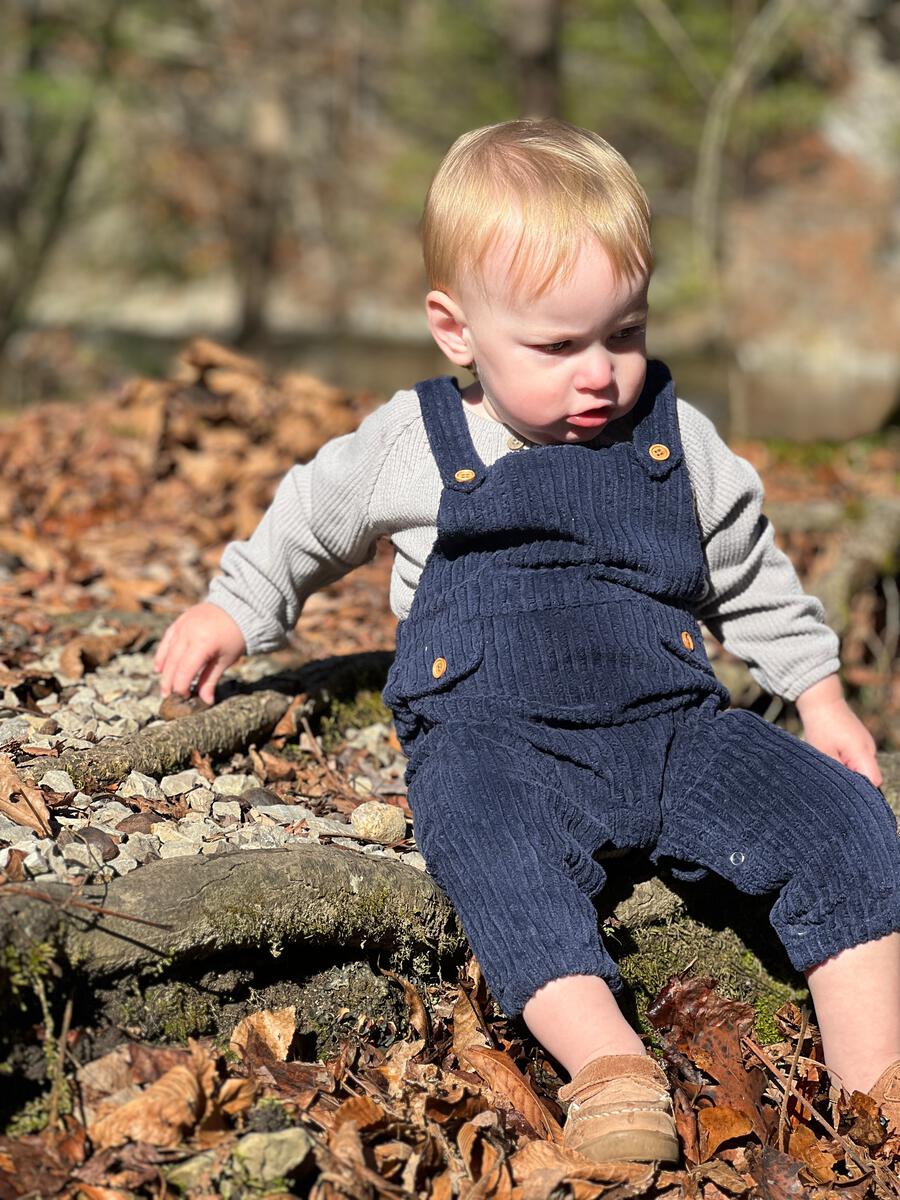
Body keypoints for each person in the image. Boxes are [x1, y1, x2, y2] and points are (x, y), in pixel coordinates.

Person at [154, 119, 900, 1164]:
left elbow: (749, 574)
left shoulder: (676, 442)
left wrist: (819, 696)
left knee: (843, 821)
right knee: (488, 849)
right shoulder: (421, 441)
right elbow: (309, 522)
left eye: (625, 334)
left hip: (674, 729)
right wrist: (236, 607)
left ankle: (877, 1085)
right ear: (456, 330)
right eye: (557, 347)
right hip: (499, 741)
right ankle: (609, 1066)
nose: (600, 374)